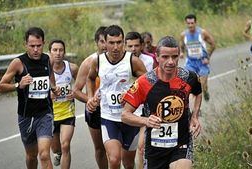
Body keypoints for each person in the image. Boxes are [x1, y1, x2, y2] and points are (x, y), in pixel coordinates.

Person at [122, 36, 202, 169]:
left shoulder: (189, 77)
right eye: (165, 57)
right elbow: (125, 115)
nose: (170, 62)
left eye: (174, 57)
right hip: (154, 148)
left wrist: (194, 116)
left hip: (181, 142)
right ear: (156, 57)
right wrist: (146, 121)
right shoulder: (144, 82)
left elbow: (198, 93)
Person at [0, 27, 60, 169]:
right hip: (26, 117)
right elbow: (0, 86)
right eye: (32, 46)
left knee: (44, 154)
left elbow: (50, 78)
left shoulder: (47, 59)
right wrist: (19, 84)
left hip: (45, 114)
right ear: (26, 44)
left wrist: (54, 88)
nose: (36, 49)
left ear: (43, 43)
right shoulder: (18, 63)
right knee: (32, 156)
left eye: (39, 45)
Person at [86, 25, 147, 169]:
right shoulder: (98, 61)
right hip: (109, 117)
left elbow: (147, 83)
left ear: (123, 42)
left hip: (131, 117)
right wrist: (90, 98)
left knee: (128, 163)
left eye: (119, 42)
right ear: (105, 43)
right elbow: (90, 78)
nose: (115, 47)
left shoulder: (133, 61)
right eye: (112, 43)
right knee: (113, 160)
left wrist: (131, 93)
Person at [72, 26, 108, 169]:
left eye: (108, 41)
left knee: (117, 149)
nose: (105, 45)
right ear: (96, 43)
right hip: (95, 111)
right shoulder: (89, 63)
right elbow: (76, 90)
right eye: (102, 41)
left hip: (115, 109)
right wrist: (90, 100)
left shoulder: (121, 61)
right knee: (100, 148)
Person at [125, 31, 155, 169]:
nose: (133, 49)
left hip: (144, 110)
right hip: (127, 110)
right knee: (125, 155)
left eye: (136, 45)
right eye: (130, 46)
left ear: (142, 45)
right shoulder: (121, 61)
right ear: (125, 46)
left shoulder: (149, 60)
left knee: (141, 147)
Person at [49, 39, 78, 168]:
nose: (58, 53)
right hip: (50, 114)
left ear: (64, 52)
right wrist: (48, 95)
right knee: (56, 148)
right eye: (55, 50)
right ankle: (57, 153)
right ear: (50, 53)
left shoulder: (72, 68)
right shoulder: (44, 70)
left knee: (65, 145)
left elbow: (82, 84)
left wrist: (75, 93)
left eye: (60, 50)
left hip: (68, 112)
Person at [180, 14, 215, 101]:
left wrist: (208, 57)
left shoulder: (202, 33)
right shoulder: (183, 35)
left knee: (202, 85)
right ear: (186, 23)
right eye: (188, 23)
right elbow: (182, 46)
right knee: (191, 86)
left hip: (202, 62)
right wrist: (181, 53)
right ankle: (196, 108)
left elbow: (213, 44)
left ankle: (205, 91)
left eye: (192, 23)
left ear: (195, 23)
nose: (190, 25)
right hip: (190, 63)